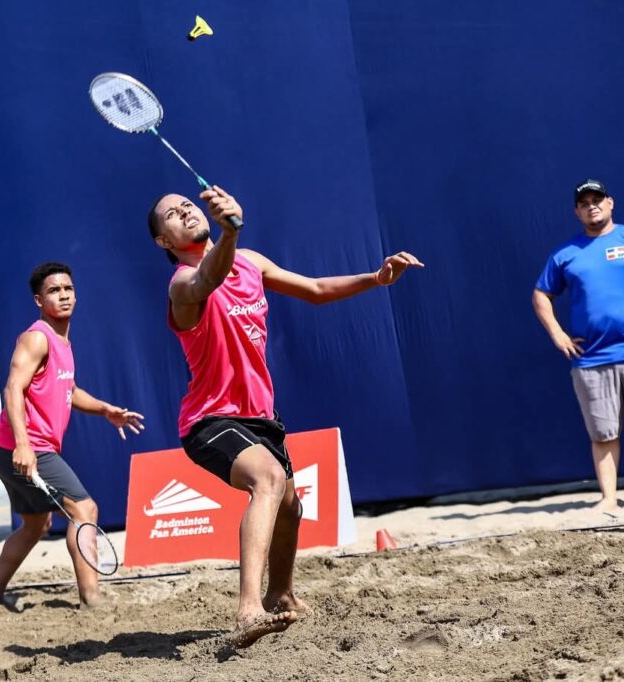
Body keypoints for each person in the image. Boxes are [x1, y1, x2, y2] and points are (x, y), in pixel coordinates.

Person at [147, 186, 423, 647]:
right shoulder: (181, 283)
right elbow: (207, 282)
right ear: (165, 242)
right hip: (209, 419)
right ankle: (248, 608)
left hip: (260, 414)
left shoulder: (250, 261)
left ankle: (280, 594)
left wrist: (375, 278)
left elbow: (315, 290)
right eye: (172, 216)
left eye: (188, 206)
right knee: (269, 481)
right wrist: (229, 231)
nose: (184, 213)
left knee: (292, 508)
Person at [0, 262, 144, 611]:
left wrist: (105, 410)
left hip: (7, 447)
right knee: (85, 509)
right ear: (39, 300)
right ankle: (92, 599)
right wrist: (23, 445)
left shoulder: (63, 341)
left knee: (36, 525)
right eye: (54, 290)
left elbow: (70, 389)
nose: (63, 295)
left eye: (68, 288)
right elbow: (12, 389)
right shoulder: (37, 337)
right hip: (22, 446)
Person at [533, 179, 624, 516]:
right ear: (576, 211)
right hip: (593, 359)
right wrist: (557, 333)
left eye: (597, 199)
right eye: (584, 202)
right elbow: (541, 294)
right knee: (603, 433)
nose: (592, 206)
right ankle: (609, 499)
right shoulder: (566, 254)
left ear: (610, 203)